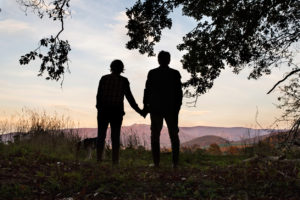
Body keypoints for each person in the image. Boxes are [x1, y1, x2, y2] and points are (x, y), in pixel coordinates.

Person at [96, 59, 143, 165]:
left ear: (111, 67)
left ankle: (99, 160)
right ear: (122, 69)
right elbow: (130, 98)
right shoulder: (124, 81)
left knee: (101, 135)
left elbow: (98, 96)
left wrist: (99, 108)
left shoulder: (104, 79)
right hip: (116, 112)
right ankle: (115, 161)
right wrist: (140, 111)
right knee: (115, 136)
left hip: (103, 111)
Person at [143, 51, 183, 168]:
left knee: (155, 135)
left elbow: (147, 91)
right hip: (171, 108)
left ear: (158, 60)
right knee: (174, 135)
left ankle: (156, 163)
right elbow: (179, 93)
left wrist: (146, 106)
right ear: (169, 60)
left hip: (156, 108)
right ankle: (175, 163)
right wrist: (177, 107)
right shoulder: (175, 73)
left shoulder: (152, 73)